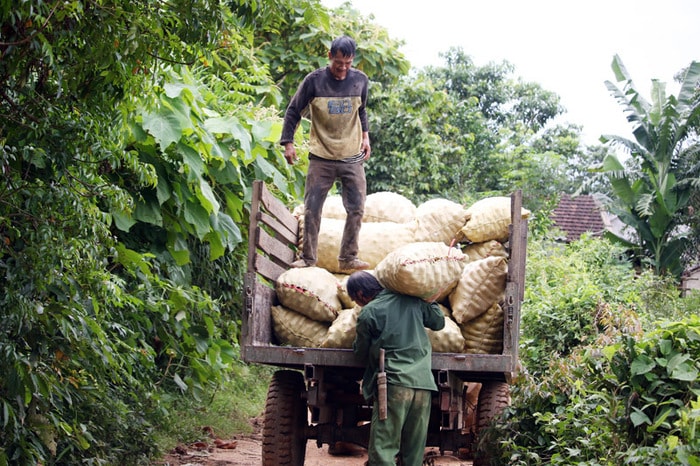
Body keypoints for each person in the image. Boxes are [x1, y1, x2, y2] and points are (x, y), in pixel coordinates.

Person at [280, 35, 371, 272]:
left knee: (357, 207)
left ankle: (348, 257)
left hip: (351, 155)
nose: (342, 69)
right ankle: (308, 258)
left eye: (348, 64)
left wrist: (365, 136)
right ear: (330, 56)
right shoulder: (314, 81)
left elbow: (361, 111)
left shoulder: (360, 81)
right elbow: (293, 111)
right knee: (312, 207)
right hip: (321, 156)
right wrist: (288, 142)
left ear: (353, 61)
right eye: (338, 63)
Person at [347, 271, 445, 466]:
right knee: (414, 451)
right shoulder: (413, 301)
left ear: (360, 294)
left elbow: (360, 354)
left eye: (354, 299)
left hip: (394, 385)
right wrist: (427, 297)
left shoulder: (369, 312)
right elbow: (438, 322)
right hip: (424, 384)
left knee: (383, 449)